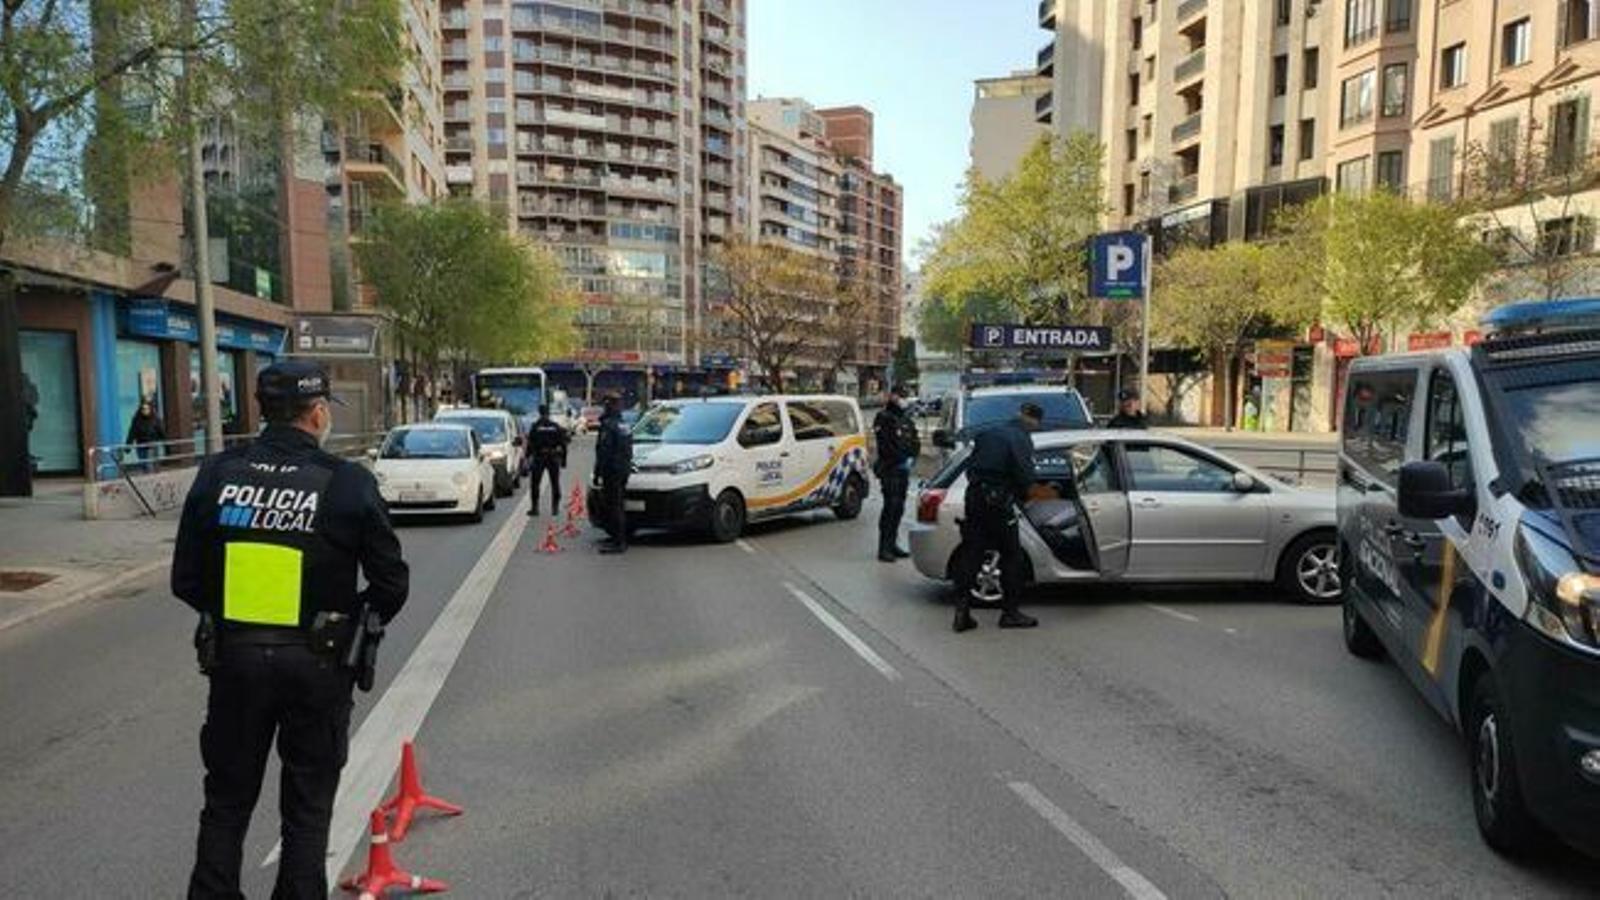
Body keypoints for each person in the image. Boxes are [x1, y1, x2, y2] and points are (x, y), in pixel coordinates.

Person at [172, 359, 409, 900]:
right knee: (307, 806)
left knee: (226, 801)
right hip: (318, 667)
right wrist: (351, 621)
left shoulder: (217, 474)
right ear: (319, 412)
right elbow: (391, 582)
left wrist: (239, 610)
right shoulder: (348, 483)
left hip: (235, 662)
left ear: (261, 410)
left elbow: (185, 579)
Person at [954, 401, 1043, 633]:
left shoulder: (989, 433)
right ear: (1033, 421)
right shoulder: (1021, 439)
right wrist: (1033, 495)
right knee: (1012, 555)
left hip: (974, 497)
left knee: (972, 552)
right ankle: (1010, 613)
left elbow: (971, 467)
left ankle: (962, 611)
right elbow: (1025, 476)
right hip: (998, 502)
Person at [872, 388, 920, 562]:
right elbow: (885, 445)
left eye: (905, 397)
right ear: (892, 397)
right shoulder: (884, 418)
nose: (903, 400)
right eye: (901, 396)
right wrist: (901, 458)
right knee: (890, 508)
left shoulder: (905, 419)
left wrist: (912, 457)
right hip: (890, 469)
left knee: (899, 508)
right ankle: (884, 548)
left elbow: (915, 440)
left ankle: (893, 544)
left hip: (903, 470)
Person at [593, 394, 633, 554]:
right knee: (618, 504)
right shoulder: (624, 424)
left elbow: (603, 451)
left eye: (606, 405)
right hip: (623, 469)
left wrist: (598, 473)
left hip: (612, 470)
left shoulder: (609, 425)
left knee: (613, 506)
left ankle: (619, 542)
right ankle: (617, 537)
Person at [526, 403, 569, 517]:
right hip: (553, 457)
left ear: (539, 413)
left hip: (539, 457)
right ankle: (555, 508)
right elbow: (563, 444)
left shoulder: (535, 426)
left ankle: (535, 508)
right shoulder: (555, 426)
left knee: (535, 484)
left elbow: (530, 444)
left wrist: (527, 457)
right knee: (555, 483)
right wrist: (564, 460)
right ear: (548, 413)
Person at [126, 397, 167, 471]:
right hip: (140, 445)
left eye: (147, 409)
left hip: (151, 445)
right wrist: (128, 446)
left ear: (150, 409)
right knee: (143, 465)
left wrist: (165, 442)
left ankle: (153, 475)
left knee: (149, 465)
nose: (145, 411)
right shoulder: (137, 419)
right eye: (143, 409)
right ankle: (148, 477)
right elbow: (132, 432)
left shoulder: (155, 418)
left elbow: (161, 430)